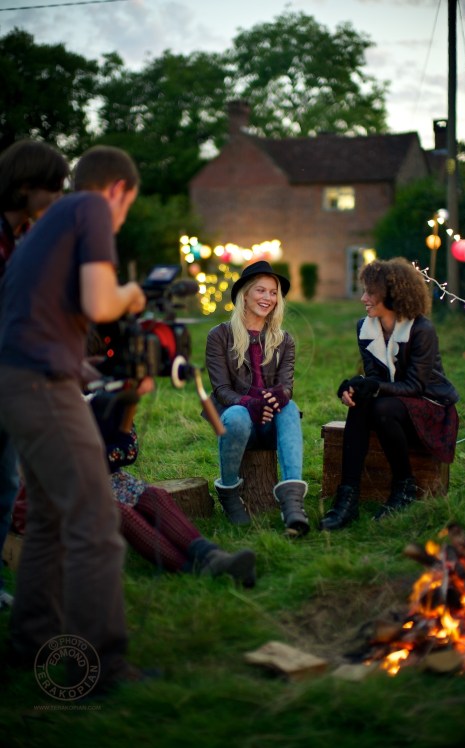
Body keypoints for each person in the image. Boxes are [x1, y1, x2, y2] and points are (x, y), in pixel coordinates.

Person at [0, 145, 149, 690]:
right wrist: (130, 294)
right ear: (118, 190)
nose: (121, 218)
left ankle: (30, 643)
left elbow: (34, 319)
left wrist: (82, 367)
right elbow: (99, 302)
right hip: (39, 387)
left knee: (48, 520)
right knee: (96, 525)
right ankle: (104, 667)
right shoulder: (88, 209)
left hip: (15, 381)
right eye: (127, 207)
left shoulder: (39, 231)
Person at [320, 257, 459, 530]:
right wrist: (354, 387)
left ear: (393, 295)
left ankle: (404, 486)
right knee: (361, 403)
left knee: (381, 408)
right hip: (393, 402)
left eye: (371, 292)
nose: (363, 298)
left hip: (429, 405)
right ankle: (347, 498)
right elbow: (374, 379)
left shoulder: (421, 330)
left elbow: (416, 386)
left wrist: (374, 387)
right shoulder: (365, 327)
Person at [87, 388, 256, 587]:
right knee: (119, 512)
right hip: (68, 485)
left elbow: (128, 450)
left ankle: (211, 555)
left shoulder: (102, 394)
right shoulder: (53, 401)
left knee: (154, 496)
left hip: (107, 476)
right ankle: (192, 569)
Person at [0, 140, 69, 611]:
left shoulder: (21, 236)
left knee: (4, 482)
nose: (58, 199)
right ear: (26, 187)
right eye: (53, 189)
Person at [205, 260, 309, 537]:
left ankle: (292, 504)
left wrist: (275, 398)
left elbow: (286, 386)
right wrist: (252, 404)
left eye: (273, 293)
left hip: (271, 424)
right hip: (238, 422)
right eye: (261, 291)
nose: (268, 298)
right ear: (245, 294)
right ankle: (229, 493)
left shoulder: (284, 340)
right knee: (237, 416)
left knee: (290, 407)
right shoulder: (219, 336)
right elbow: (221, 391)